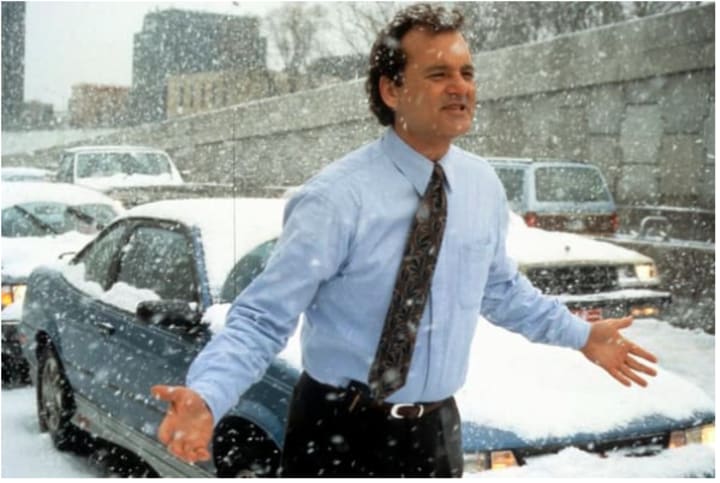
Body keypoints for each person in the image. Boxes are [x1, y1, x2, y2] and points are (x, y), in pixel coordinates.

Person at [152, 3, 658, 477]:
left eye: (466, 73)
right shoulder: (336, 199)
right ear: (392, 91)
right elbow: (264, 317)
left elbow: (500, 289)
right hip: (336, 434)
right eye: (438, 75)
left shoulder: (481, 187)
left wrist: (581, 335)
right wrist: (209, 394)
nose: (460, 88)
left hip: (436, 433)